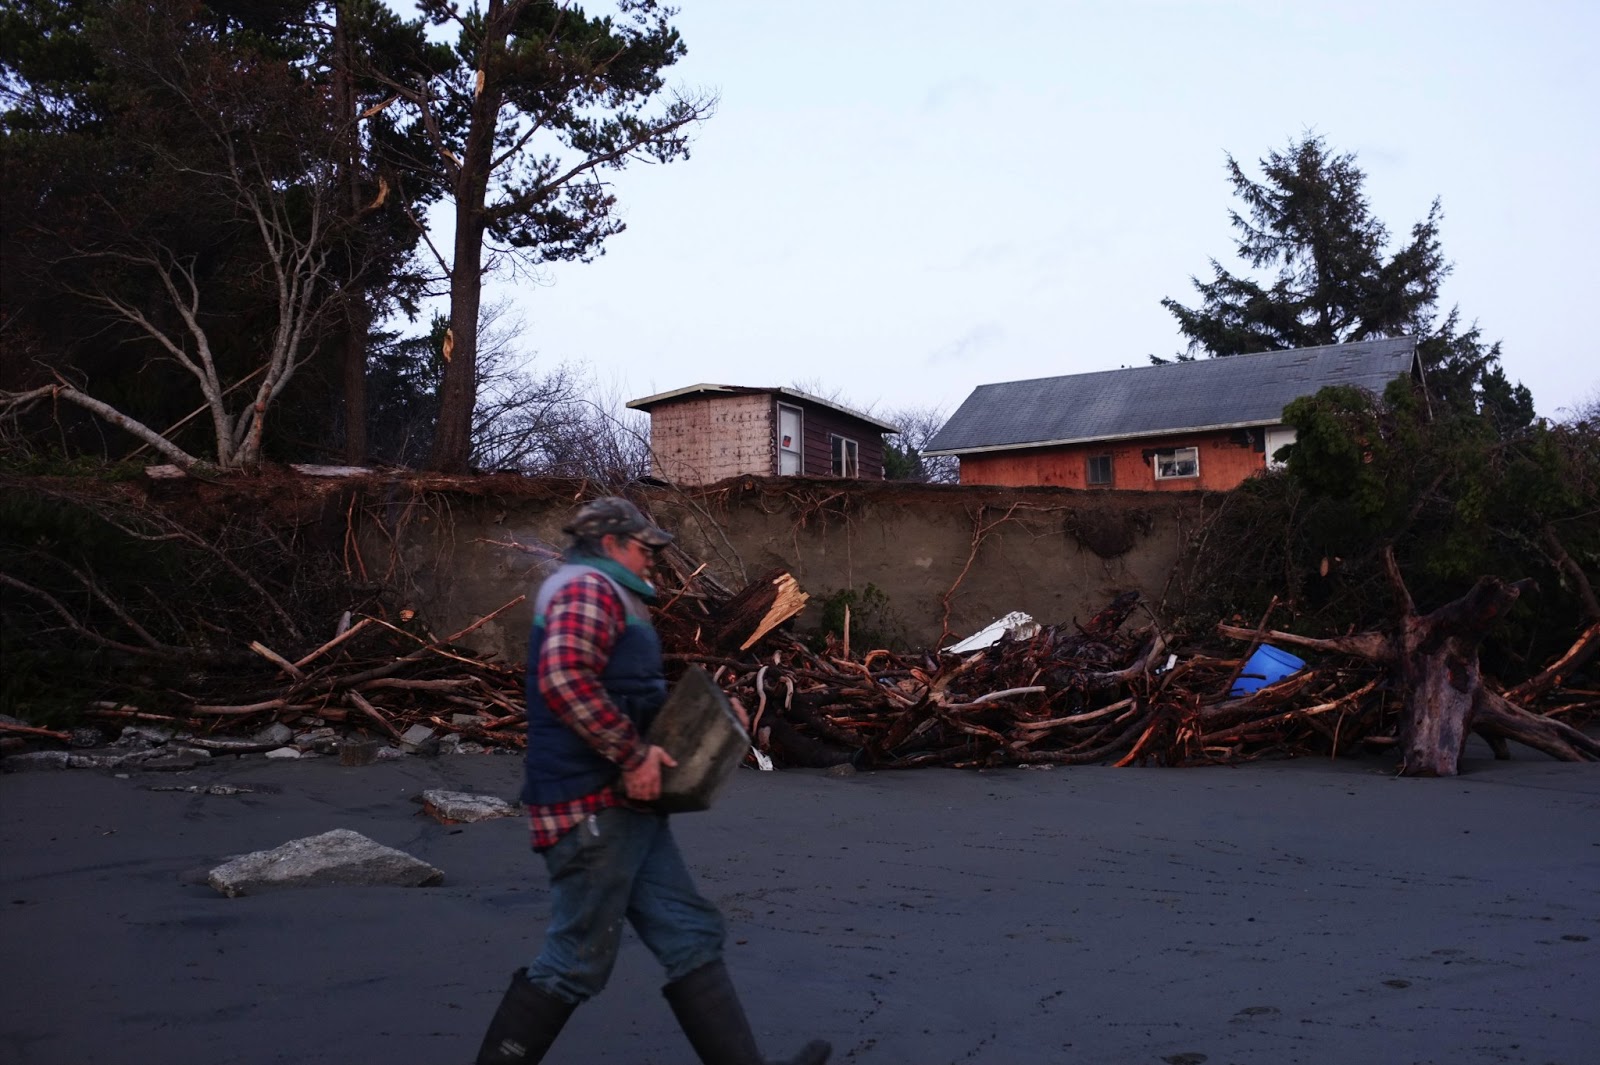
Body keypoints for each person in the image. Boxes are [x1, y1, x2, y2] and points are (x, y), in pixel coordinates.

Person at [475, 496, 830, 1065]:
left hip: (625, 811)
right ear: (612, 544)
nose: (652, 561)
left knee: (688, 934)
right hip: (587, 806)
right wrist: (634, 755)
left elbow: (632, 696)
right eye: (645, 549)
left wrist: (717, 719)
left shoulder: (612, 596)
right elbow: (566, 681)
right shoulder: (584, 589)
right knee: (573, 960)